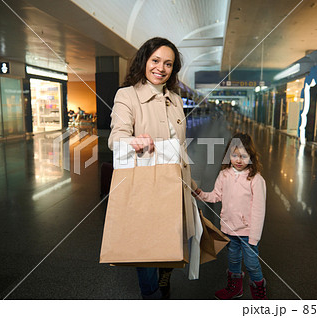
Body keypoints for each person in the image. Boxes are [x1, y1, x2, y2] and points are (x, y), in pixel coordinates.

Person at [108, 37, 197, 299]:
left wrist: (190, 183)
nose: (161, 68)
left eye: (168, 63)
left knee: (169, 239)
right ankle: (151, 296)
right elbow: (115, 139)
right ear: (144, 61)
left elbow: (181, 147)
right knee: (146, 244)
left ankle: (164, 274)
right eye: (155, 60)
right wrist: (133, 141)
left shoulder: (176, 99)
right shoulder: (127, 95)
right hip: (146, 187)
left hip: (174, 184)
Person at [195, 132, 268, 300]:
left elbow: (258, 210)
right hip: (229, 230)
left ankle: (259, 294)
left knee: (252, 265)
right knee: (233, 261)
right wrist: (200, 194)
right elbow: (215, 196)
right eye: (234, 155)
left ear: (251, 156)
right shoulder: (224, 174)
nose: (238, 160)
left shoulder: (256, 179)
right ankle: (235, 289)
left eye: (243, 156)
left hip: (247, 233)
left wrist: (254, 237)